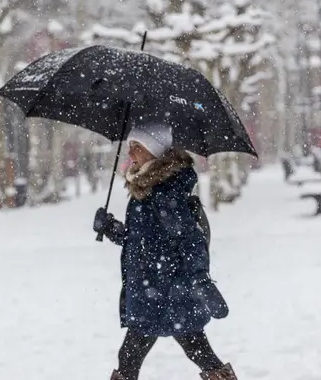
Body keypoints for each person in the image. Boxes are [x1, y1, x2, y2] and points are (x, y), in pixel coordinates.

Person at [93, 122, 237, 380]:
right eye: (130, 147)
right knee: (194, 351)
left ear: (155, 150)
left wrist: (200, 279)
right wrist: (111, 228)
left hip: (167, 292)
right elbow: (141, 239)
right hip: (154, 292)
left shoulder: (164, 191)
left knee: (134, 356)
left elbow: (190, 239)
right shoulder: (146, 188)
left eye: (137, 147)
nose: (130, 153)